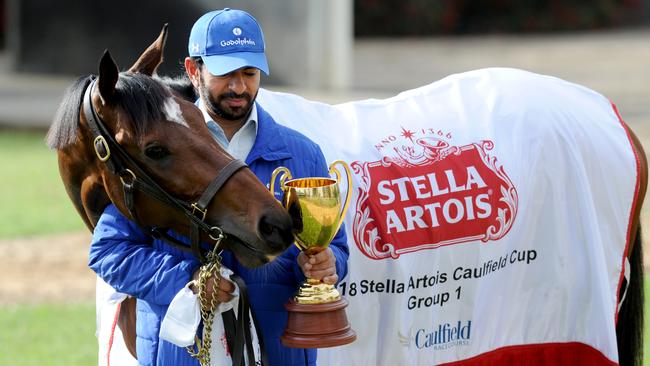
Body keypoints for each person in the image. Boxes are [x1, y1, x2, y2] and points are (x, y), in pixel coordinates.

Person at [88, 8, 349, 366]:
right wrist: (187, 282)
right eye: (225, 73)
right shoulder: (154, 152)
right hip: (179, 355)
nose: (239, 87)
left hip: (280, 351)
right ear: (193, 71)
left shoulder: (301, 153)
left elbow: (334, 245)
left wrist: (329, 264)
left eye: (249, 73)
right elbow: (109, 252)